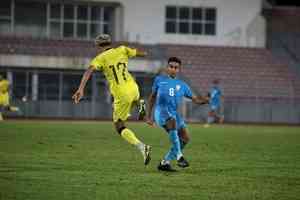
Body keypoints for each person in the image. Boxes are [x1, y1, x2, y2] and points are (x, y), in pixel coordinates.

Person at [72, 34, 151, 165]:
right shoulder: (122, 49)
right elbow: (140, 53)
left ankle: (142, 147)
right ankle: (140, 103)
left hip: (121, 93)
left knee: (119, 125)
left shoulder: (100, 58)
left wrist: (80, 89)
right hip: (134, 87)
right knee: (135, 97)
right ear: (110, 42)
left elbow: (88, 71)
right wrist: (145, 53)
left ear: (98, 45)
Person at [145, 57, 208, 172]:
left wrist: (204, 100)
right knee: (172, 121)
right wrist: (148, 116)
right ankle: (179, 156)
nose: (173, 69)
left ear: (179, 69)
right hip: (161, 112)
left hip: (174, 114)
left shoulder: (182, 85)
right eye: (171, 67)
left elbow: (195, 99)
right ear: (167, 67)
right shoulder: (159, 80)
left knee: (185, 138)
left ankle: (165, 162)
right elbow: (152, 97)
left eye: (176, 67)